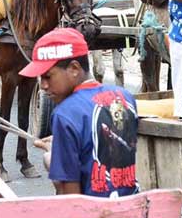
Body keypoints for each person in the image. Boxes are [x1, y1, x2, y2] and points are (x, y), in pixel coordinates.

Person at [21, 28, 138, 197]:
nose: (43, 86)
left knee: (49, 159)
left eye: (47, 77)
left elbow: (70, 198)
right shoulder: (125, 97)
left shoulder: (64, 114)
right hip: (130, 209)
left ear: (74, 68)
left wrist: (52, 157)